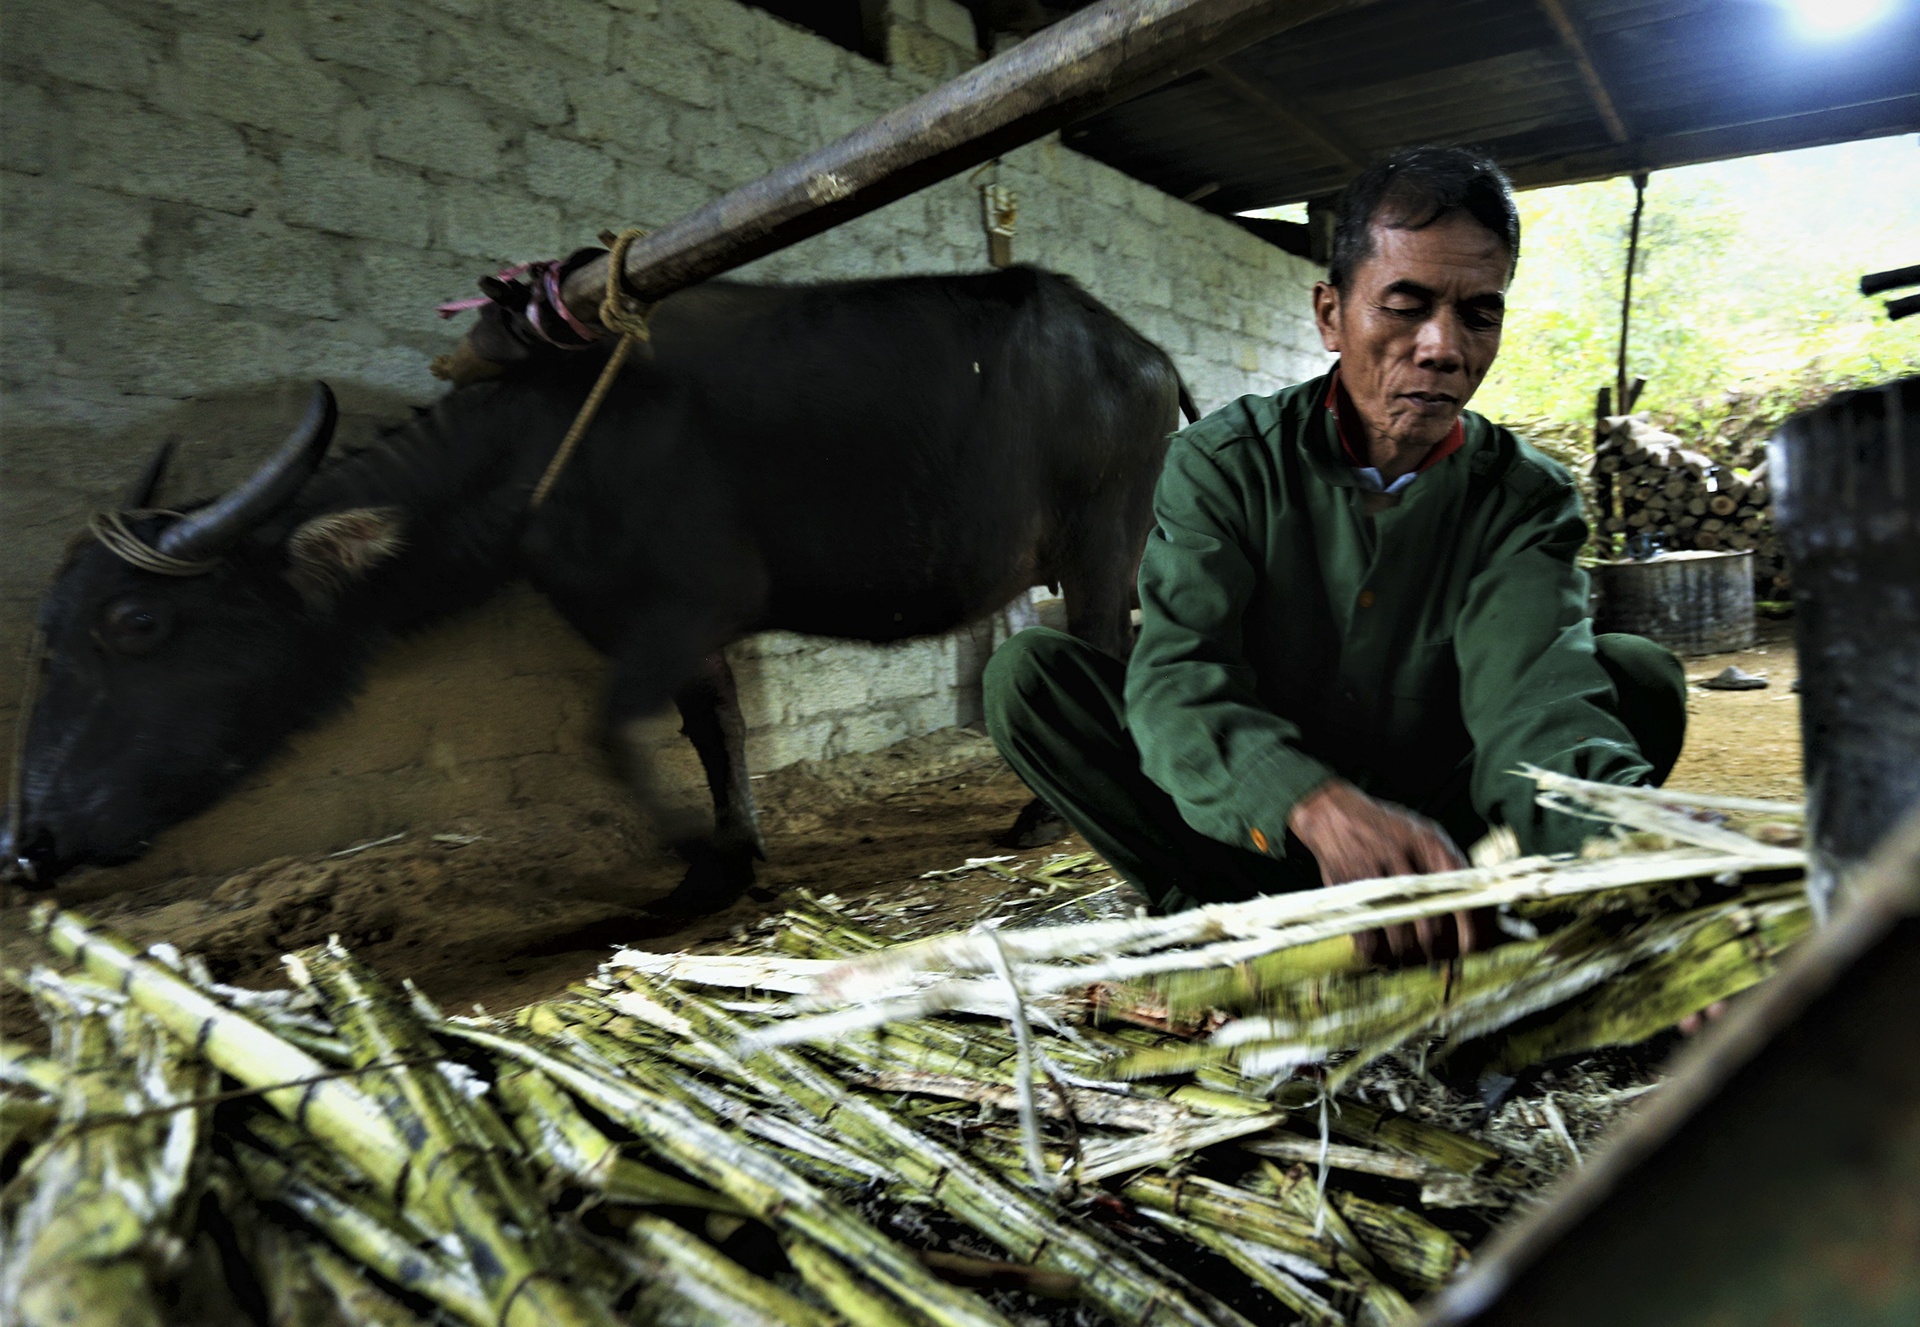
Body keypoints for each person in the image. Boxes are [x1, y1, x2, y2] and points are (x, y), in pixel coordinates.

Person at [983, 145, 1686, 963]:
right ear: (1330, 314)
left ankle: (1483, 907)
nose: (1442, 346)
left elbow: (1539, 710)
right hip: (1259, 834)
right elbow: (1181, 681)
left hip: (1436, 842)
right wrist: (1309, 802)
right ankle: (1217, 912)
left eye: (1479, 313)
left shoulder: (1523, 497)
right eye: (1404, 305)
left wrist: (1652, 860)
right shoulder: (1224, 461)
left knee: (1637, 675)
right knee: (1030, 679)